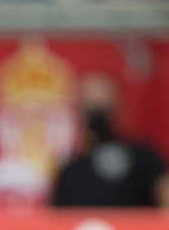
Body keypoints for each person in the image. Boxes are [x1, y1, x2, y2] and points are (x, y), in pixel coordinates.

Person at [51, 72, 169, 209]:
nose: (97, 105)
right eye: (90, 102)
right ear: (78, 108)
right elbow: (55, 219)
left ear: (119, 104)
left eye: (103, 99)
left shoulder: (144, 156)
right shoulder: (70, 170)